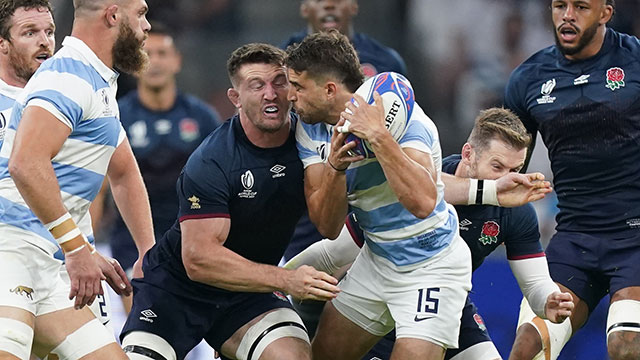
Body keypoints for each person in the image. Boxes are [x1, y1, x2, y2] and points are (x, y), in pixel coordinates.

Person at [284, 107, 575, 360]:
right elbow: (336, 251)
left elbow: (535, 283)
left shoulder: (517, 210)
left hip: (448, 303)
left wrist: (548, 299)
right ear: (467, 154)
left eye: (516, 168)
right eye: (497, 166)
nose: (509, 178)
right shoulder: (417, 183)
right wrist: (281, 278)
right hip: (388, 305)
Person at [119, 43, 340, 360]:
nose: (270, 94)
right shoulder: (212, 161)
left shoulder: (313, 141)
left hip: (247, 294)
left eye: (279, 82)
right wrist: (287, 279)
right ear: (235, 98)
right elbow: (198, 261)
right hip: (176, 290)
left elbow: (330, 226)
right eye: (256, 85)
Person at [286, 29, 475, 360]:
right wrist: (335, 167)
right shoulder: (310, 128)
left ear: (329, 90)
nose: (290, 96)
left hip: (431, 266)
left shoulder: (407, 119)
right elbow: (328, 227)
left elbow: (423, 203)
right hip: (377, 261)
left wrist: (377, 136)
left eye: (298, 87)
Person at [0, 0, 155, 358]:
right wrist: (77, 248)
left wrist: (148, 251)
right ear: (114, 16)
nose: (147, 26)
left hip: (55, 262)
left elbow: (125, 169)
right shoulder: (64, 78)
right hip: (14, 251)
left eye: (48, 31)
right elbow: (24, 165)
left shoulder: (95, 80)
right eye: (142, 13)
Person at [504, 1, 640, 359]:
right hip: (575, 238)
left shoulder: (635, 60)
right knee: (526, 349)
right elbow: (502, 164)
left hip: (635, 237)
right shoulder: (527, 80)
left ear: (606, 14)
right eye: (559, 5)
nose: (568, 14)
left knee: (625, 346)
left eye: (580, 6)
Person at [103, 20, 221, 313]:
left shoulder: (202, 117)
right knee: (142, 324)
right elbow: (99, 185)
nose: (154, 61)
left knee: (193, 331)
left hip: (191, 237)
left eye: (162, 53)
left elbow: (222, 184)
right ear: (133, 62)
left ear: (177, 61)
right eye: (146, 53)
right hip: (131, 241)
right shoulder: (115, 116)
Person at [281, 0, 407, 264]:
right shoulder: (280, 58)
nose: (329, 5)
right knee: (306, 284)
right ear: (304, 8)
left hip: (375, 196)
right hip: (310, 185)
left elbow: (403, 124)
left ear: (353, 6)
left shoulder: (386, 61)